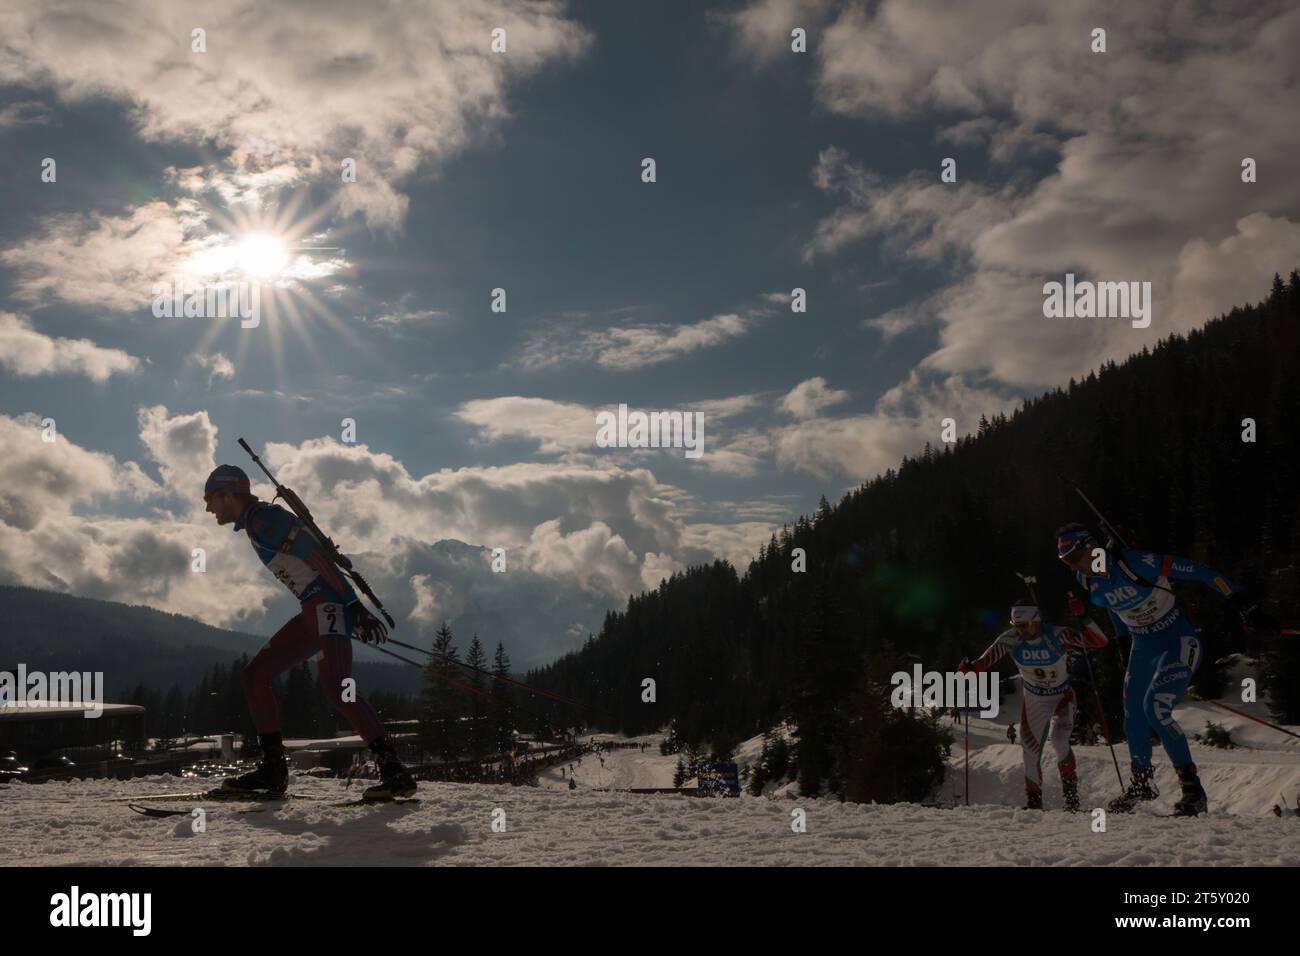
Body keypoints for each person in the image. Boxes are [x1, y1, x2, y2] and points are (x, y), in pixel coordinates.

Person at [203, 464, 415, 801]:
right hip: (313, 608)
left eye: (210, 498)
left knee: (335, 686)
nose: (208, 507)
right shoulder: (257, 522)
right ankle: (273, 769)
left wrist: (354, 606)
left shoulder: (263, 520)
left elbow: (318, 558)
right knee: (255, 676)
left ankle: (393, 770)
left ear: (229, 494)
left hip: (326, 604)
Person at [1056, 523, 1275, 816]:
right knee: (1132, 713)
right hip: (1142, 646)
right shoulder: (1088, 581)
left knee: (1155, 708)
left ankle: (1193, 791)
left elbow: (1203, 572)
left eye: (1074, 557)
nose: (1074, 567)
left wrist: (1244, 604)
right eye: (1067, 562)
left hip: (1178, 640)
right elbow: (1113, 606)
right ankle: (1142, 782)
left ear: (1091, 547)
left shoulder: (1136, 562)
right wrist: (1123, 643)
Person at [960, 600, 1108, 811]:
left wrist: (1084, 617)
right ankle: (1034, 801)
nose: (1022, 631)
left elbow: (1100, 642)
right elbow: (985, 661)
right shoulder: (1009, 639)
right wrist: (969, 668)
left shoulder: (1057, 635)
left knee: (1059, 740)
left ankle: (1072, 799)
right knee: (1028, 750)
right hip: (1034, 700)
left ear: (1037, 620)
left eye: (1026, 625)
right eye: (1016, 625)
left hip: (1061, 697)